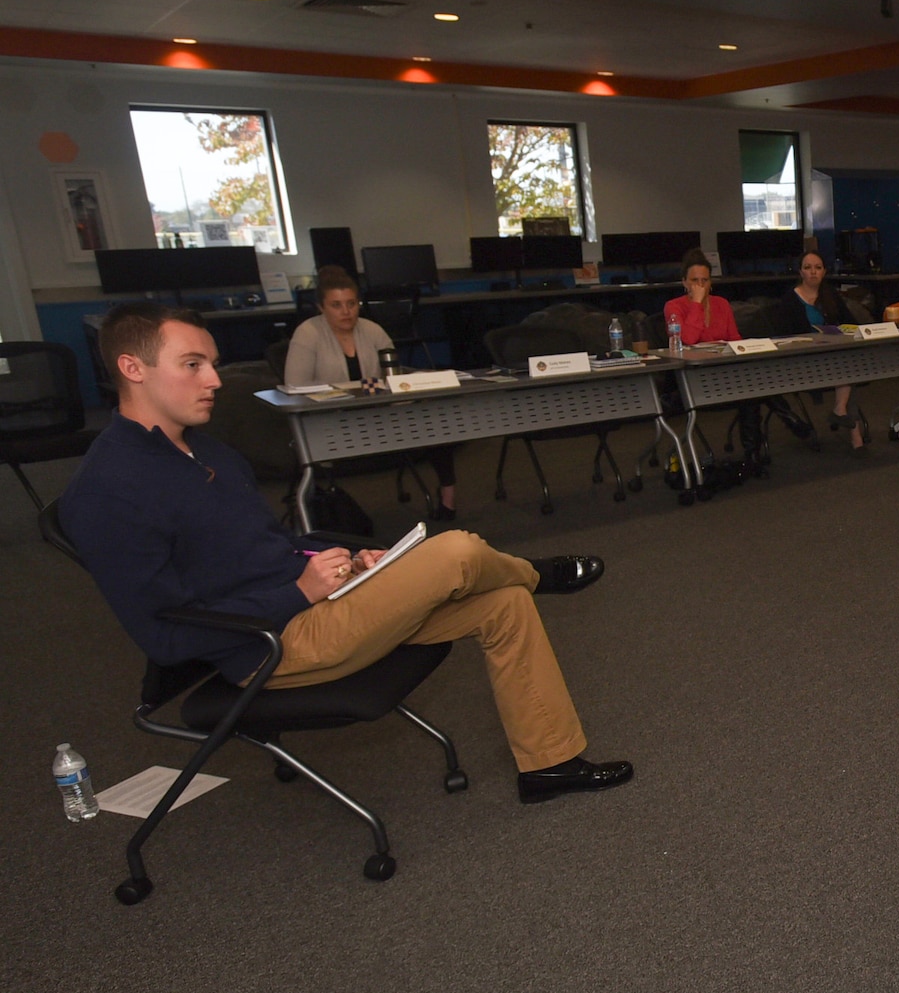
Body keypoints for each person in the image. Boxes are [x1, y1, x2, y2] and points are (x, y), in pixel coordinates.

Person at [64, 303, 633, 805]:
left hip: (320, 603)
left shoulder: (200, 449)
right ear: (132, 369)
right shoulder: (109, 489)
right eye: (193, 365)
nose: (214, 379)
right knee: (459, 551)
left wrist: (342, 557)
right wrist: (300, 591)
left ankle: (549, 765)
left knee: (502, 602)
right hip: (271, 644)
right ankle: (540, 574)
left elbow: (270, 541)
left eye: (211, 362)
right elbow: (165, 638)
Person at [287, 265, 461, 521]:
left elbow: (394, 377)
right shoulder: (307, 334)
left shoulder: (372, 330)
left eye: (352, 303)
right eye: (336, 305)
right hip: (330, 420)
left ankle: (448, 496)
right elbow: (295, 388)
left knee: (433, 418)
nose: (346, 312)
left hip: (380, 414)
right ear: (321, 307)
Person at [767, 250, 866, 454]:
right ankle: (853, 432)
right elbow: (781, 337)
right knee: (849, 370)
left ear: (824, 272)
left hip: (832, 356)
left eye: (818, 268)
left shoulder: (830, 295)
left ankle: (843, 414)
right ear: (801, 272)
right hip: (803, 360)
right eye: (808, 268)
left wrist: (842, 331)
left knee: (850, 366)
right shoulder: (790, 299)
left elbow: (851, 323)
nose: (813, 272)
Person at [662, 250, 740, 346]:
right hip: (692, 359)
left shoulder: (722, 303)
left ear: (710, 282)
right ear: (684, 282)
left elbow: (736, 340)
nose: (700, 285)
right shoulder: (673, 306)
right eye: (694, 280)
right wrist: (697, 303)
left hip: (722, 359)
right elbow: (688, 340)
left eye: (705, 280)